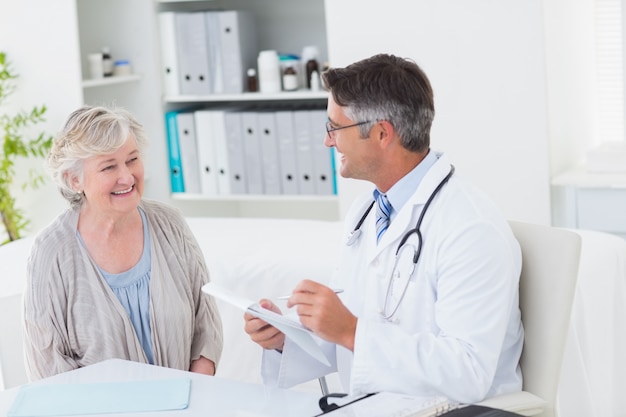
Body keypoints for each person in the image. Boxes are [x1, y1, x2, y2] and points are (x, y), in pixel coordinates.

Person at [244, 54, 524, 404]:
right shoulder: (367, 212)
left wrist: (351, 330)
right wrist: (287, 339)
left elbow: (468, 372)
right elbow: (351, 337)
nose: (328, 142)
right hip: (382, 405)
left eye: (334, 128)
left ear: (381, 133)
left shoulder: (470, 228)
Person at [23, 105, 223, 379]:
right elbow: (47, 367)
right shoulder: (51, 252)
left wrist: (193, 394)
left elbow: (206, 325)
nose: (127, 177)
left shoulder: (170, 224)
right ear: (74, 179)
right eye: (108, 166)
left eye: (132, 160)